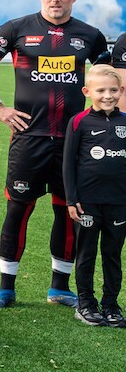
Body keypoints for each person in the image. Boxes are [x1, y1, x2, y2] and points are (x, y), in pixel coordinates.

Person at [0, 0, 109, 309]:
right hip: (28, 139)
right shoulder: (16, 29)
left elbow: (109, 79)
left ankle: (59, 287)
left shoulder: (90, 36)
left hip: (73, 141)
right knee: (18, 209)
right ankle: (6, 288)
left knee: (68, 211)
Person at [62, 65, 126, 327]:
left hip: (119, 202)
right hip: (87, 201)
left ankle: (111, 304)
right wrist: (70, 199)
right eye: (101, 90)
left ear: (121, 91)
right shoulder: (79, 121)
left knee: (112, 254)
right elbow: (68, 163)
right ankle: (86, 303)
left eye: (113, 90)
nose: (107, 95)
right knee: (86, 253)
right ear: (88, 92)